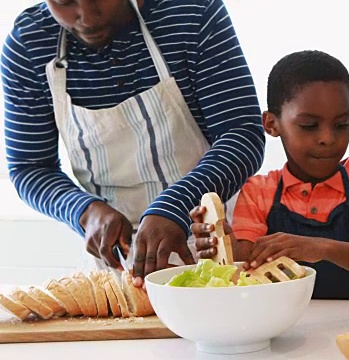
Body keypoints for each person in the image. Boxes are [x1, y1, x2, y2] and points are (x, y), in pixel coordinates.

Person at [1, 0, 265, 286]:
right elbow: (31, 167)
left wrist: (174, 205)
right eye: (65, 1)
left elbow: (242, 135)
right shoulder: (29, 44)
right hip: (119, 268)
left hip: (219, 249)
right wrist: (85, 211)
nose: (88, 18)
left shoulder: (192, 13)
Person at [190, 50, 349, 299]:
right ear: (272, 124)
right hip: (286, 331)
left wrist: (320, 247)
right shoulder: (259, 192)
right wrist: (224, 245)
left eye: (341, 125)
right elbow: (246, 270)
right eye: (309, 126)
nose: (327, 138)